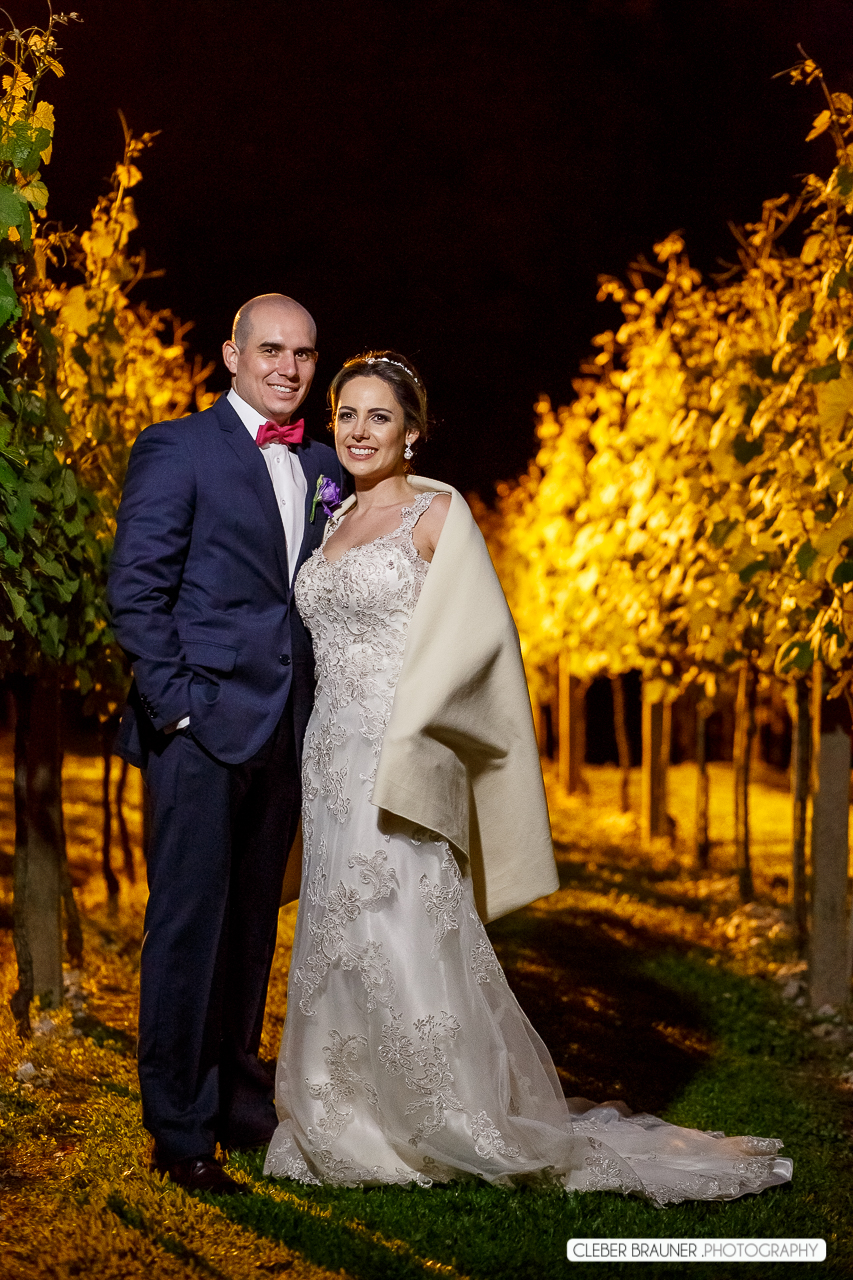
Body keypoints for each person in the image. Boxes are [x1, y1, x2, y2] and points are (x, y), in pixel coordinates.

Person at [264, 350, 793, 1204]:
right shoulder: (329, 527)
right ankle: (340, 1106)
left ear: (412, 434)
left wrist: (415, 724)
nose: (359, 432)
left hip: (401, 750)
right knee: (337, 921)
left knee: (405, 916)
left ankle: (441, 1109)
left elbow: (480, 640)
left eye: (379, 418)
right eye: (347, 416)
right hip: (327, 755)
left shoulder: (435, 516)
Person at [107, 294, 346, 1194]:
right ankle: (177, 1128)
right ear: (231, 355)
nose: (288, 367)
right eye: (271, 350)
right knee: (186, 930)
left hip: (288, 731)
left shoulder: (325, 464)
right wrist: (177, 713)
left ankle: (236, 1098)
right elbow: (137, 589)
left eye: (304, 353)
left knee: (251, 930)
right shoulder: (179, 447)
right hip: (201, 732)